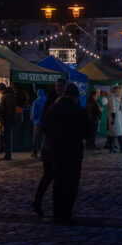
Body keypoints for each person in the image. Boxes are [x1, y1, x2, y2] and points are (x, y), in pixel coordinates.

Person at [44, 83, 91, 225]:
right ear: (76, 97)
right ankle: (67, 213)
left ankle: (56, 213)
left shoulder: (52, 109)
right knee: (71, 183)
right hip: (73, 151)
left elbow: (44, 129)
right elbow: (87, 132)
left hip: (55, 150)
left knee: (58, 182)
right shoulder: (78, 110)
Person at [31, 78, 66, 218]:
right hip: (52, 144)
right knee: (52, 176)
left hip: (54, 144)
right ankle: (55, 208)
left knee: (50, 176)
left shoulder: (63, 99)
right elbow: (45, 117)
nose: (59, 88)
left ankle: (41, 202)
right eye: (57, 86)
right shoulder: (52, 98)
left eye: (61, 86)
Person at [0, 83, 16, 161]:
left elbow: (7, 110)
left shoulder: (7, 96)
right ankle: (8, 154)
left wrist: (1, 108)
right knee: (7, 138)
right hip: (9, 120)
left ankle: (7, 155)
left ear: (2, 89)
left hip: (7, 120)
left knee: (7, 138)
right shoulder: (10, 95)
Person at [108, 86, 122, 153]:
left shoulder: (119, 97)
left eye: (120, 91)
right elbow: (112, 106)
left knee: (117, 132)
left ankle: (118, 148)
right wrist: (113, 114)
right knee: (115, 132)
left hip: (118, 116)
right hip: (114, 116)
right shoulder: (112, 96)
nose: (119, 92)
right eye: (118, 91)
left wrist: (121, 102)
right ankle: (115, 148)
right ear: (115, 90)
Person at [31, 89, 46, 158]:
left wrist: (33, 119)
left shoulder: (36, 102)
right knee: (44, 138)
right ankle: (44, 152)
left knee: (36, 138)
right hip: (45, 122)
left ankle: (34, 152)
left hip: (37, 122)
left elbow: (34, 113)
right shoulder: (47, 101)